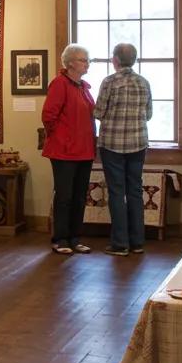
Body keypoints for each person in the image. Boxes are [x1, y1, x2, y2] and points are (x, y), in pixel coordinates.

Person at [94, 42, 153, 257]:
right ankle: (138, 242)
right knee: (135, 191)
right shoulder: (144, 82)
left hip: (112, 145)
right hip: (138, 143)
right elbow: (148, 114)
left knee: (117, 192)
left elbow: (98, 112)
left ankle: (120, 243)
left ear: (115, 60)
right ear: (134, 60)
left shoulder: (109, 82)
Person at [41, 43, 96, 255]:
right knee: (64, 196)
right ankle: (60, 238)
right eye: (83, 60)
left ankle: (75, 238)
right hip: (64, 151)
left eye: (87, 60)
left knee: (80, 196)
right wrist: (62, 137)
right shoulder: (59, 84)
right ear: (71, 63)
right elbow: (48, 116)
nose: (87, 64)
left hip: (84, 150)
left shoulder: (83, 87)